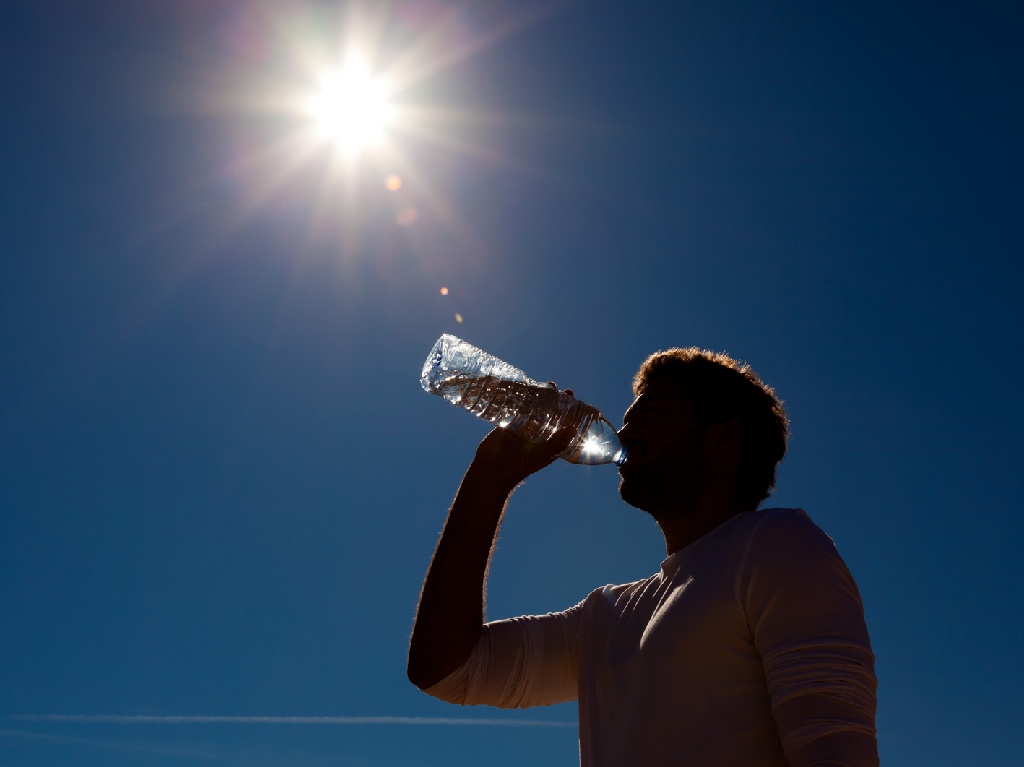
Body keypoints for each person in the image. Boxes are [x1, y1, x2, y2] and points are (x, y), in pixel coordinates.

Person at [407, 347, 878, 766]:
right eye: (629, 416)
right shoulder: (605, 615)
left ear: (723, 438)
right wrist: (490, 476)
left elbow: (834, 749)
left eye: (651, 414)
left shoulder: (777, 543)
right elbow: (447, 670)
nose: (625, 429)